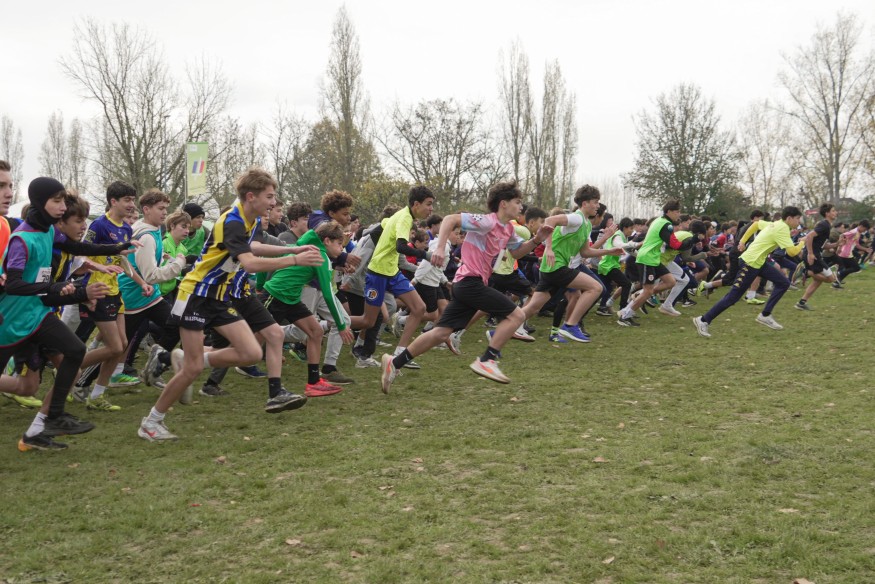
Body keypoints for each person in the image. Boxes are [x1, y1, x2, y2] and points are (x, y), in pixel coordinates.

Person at [137, 168, 323, 442]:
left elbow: (253, 249)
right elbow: (250, 263)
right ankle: (151, 422)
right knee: (192, 368)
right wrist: (295, 260)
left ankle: (184, 357)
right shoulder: (233, 221)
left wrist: (292, 249)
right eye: (270, 197)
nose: (274, 203)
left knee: (249, 352)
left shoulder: (247, 219)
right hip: (196, 296)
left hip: (218, 295)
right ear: (251, 196)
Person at [380, 180, 553, 391]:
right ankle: (487, 360)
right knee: (517, 316)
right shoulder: (486, 221)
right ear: (503, 204)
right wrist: (441, 247)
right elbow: (451, 219)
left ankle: (394, 363)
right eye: (518, 202)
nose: (521, 207)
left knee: (441, 333)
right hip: (469, 281)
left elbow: (516, 252)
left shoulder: (507, 229)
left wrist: (537, 240)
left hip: (469, 284)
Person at [1, 178, 131, 450]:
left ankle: (54, 417)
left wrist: (115, 249)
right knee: (27, 387)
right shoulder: (22, 239)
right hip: (10, 321)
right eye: (56, 201)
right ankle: (42, 426)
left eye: (63, 201)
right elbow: (13, 284)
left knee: (75, 351)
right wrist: (60, 288)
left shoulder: (48, 231)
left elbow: (78, 247)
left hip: (36, 314)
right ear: (40, 202)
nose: (62, 207)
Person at [74, 181, 152, 410]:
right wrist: (97, 271)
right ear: (113, 201)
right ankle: (70, 366)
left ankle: (97, 395)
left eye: (132, 200)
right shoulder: (98, 226)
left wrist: (141, 282)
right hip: (97, 290)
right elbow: (80, 255)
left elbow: (123, 261)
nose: (131, 205)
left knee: (123, 343)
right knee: (116, 347)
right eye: (127, 200)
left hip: (115, 291)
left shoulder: (126, 229)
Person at [263, 220, 354, 397]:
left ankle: (314, 383)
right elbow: (328, 295)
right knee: (247, 348)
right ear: (327, 241)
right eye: (339, 244)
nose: (342, 249)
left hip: (291, 299)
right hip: (274, 296)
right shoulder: (320, 255)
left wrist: (260, 283)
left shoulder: (309, 248)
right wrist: (341, 325)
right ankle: (206, 371)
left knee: (316, 332)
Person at [521, 185, 623, 342]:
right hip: (556, 267)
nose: (597, 206)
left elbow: (585, 252)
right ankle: (570, 326)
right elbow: (549, 220)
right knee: (596, 288)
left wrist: (609, 251)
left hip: (551, 268)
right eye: (595, 202)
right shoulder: (576, 217)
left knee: (533, 307)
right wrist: (548, 248)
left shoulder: (587, 224)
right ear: (585, 203)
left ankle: (502, 330)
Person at [693, 206, 804, 338]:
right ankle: (703, 320)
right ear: (789, 218)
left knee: (783, 283)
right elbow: (792, 252)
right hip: (750, 263)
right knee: (733, 297)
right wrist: (802, 243)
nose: (799, 222)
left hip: (758, 262)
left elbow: (756, 224)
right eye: (797, 219)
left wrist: (742, 241)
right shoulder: (782, 228)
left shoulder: (776, 224)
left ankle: (765, 315)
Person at [359, 186, 435, 369]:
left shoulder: (400, 215)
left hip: (392, 271)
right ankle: (325, 324)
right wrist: (426, 256)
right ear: (416, 204)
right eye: (429, 204)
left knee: (419, 308)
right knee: (368, 320)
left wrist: (382, 245)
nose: (431, 209)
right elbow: (401, 246)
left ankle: (400, 353)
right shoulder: (405, 218)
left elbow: (381, 227)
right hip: (377, 272)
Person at [616, 200, 683, 326]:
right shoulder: (666, 224)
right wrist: (688, 243)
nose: (679, 214)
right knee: (648, 290)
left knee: (670, 282)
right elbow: (674, 244)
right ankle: (625, 315)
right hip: (647, 259)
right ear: (668, 212)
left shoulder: (659, 220)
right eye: (677, 212)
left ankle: (630, 305)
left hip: (654, 258)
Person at [795, 203, 838, 310]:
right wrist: (810, 253)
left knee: (818, 281)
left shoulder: (827, 225)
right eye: (833, 211)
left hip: (815, 254)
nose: (835, 212)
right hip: (813, 255)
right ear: (827, 213)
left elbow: (824, 246)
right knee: (831, 279)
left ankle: (801, 302)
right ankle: (805, 271)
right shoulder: (824, 224)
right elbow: (809, 236)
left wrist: (838, 243)